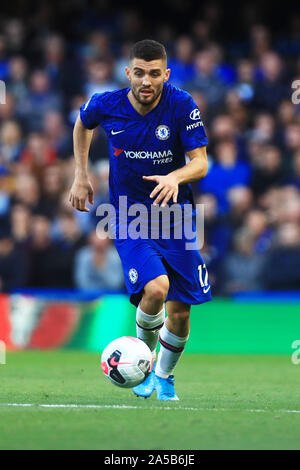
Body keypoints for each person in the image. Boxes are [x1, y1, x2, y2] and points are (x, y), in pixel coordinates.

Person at [69, 39, 211, 400]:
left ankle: (163, 376)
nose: (146, 81)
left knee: (180, 312)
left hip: (176, 217)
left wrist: (175, 177)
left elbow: (201, 162)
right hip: (129, 216)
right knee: (156, 288)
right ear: (128, 72)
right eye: (139, 73)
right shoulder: (107, 104)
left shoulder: (180, 104)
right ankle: (143, 365)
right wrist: (80, 175)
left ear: (165, 74)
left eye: (154, 74)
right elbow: (82, 124)